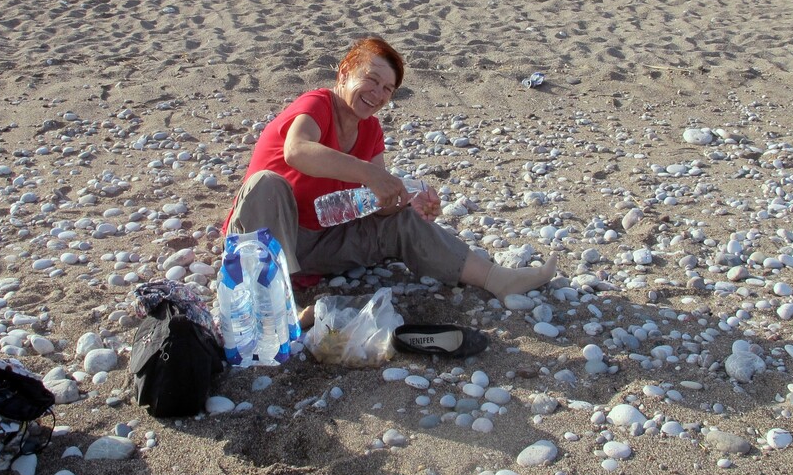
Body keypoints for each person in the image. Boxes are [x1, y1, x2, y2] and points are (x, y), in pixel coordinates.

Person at [223, 36, 557, 315]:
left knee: (404, 222)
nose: (378, 94)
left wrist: (407, 202)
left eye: (388, 89)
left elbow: (377, 206)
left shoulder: (370, 130)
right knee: (266, 184)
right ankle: (274, 305)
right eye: (371, 80)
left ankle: (497, 279)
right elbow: (296, 150)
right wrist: (368, 172)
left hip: (323, 241)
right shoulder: (317, 104)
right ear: (344, 73)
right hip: (268, 234)